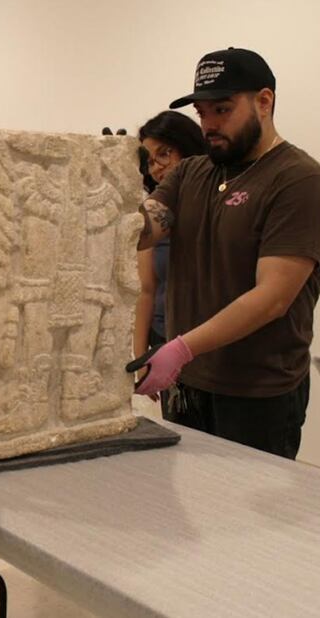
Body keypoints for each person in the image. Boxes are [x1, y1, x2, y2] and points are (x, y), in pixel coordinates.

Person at [128, 47, 320, 459]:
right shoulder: (192, 173)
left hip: (257, 394)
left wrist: (182, 347)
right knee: (187, 512)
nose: (209, 125)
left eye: (222, 110)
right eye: (202, 114)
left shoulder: (299, 181)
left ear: (264, 101)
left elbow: (272, 298)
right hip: (188, 386)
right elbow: (143, 229)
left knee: (244, 520)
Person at [132, 110, 206, 414]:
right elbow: (146, 288)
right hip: (165, 343)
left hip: (207, 345)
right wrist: (140, 357)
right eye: (150, 161)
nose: (158, 168)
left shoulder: (213, 204)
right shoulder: (153, 218)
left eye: (166, 153)